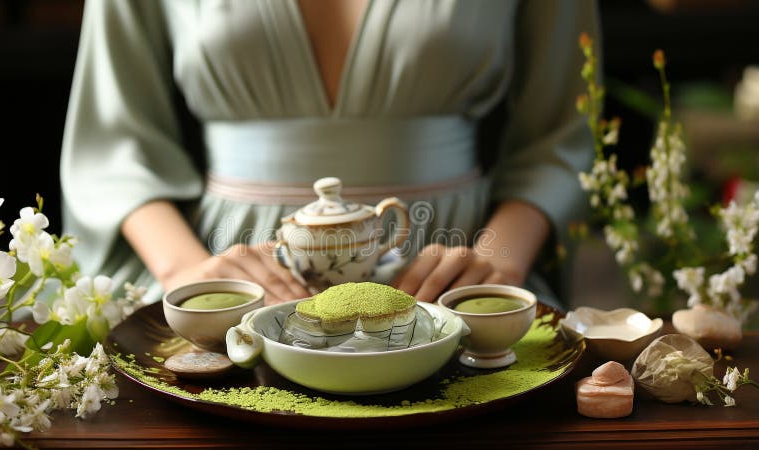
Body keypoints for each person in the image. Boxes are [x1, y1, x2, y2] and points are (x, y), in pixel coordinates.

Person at [61, 0, 599, 306]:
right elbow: (113, 146)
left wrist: (500, 259)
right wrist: (188, 276)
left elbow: (563, 131)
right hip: (229, 281)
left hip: (453, 283)